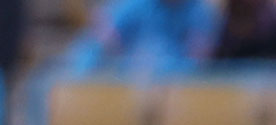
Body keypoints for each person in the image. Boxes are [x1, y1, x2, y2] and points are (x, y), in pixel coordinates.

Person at [65, 0, 218, 73]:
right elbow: (98, 42)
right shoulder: (134, 5)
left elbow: (197, 67)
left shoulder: (200, 13)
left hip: (177, 101)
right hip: (128, 92)